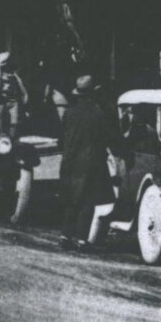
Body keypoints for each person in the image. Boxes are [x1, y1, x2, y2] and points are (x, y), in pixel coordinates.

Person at [57, 70, 122, 251]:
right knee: (88, 201)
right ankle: (81, 239)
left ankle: (65, 236)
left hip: (69, 161)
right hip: (91, 162)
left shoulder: (68, 113)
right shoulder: (99, 114)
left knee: (71, 199)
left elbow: (60, 141)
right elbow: (110, 139)